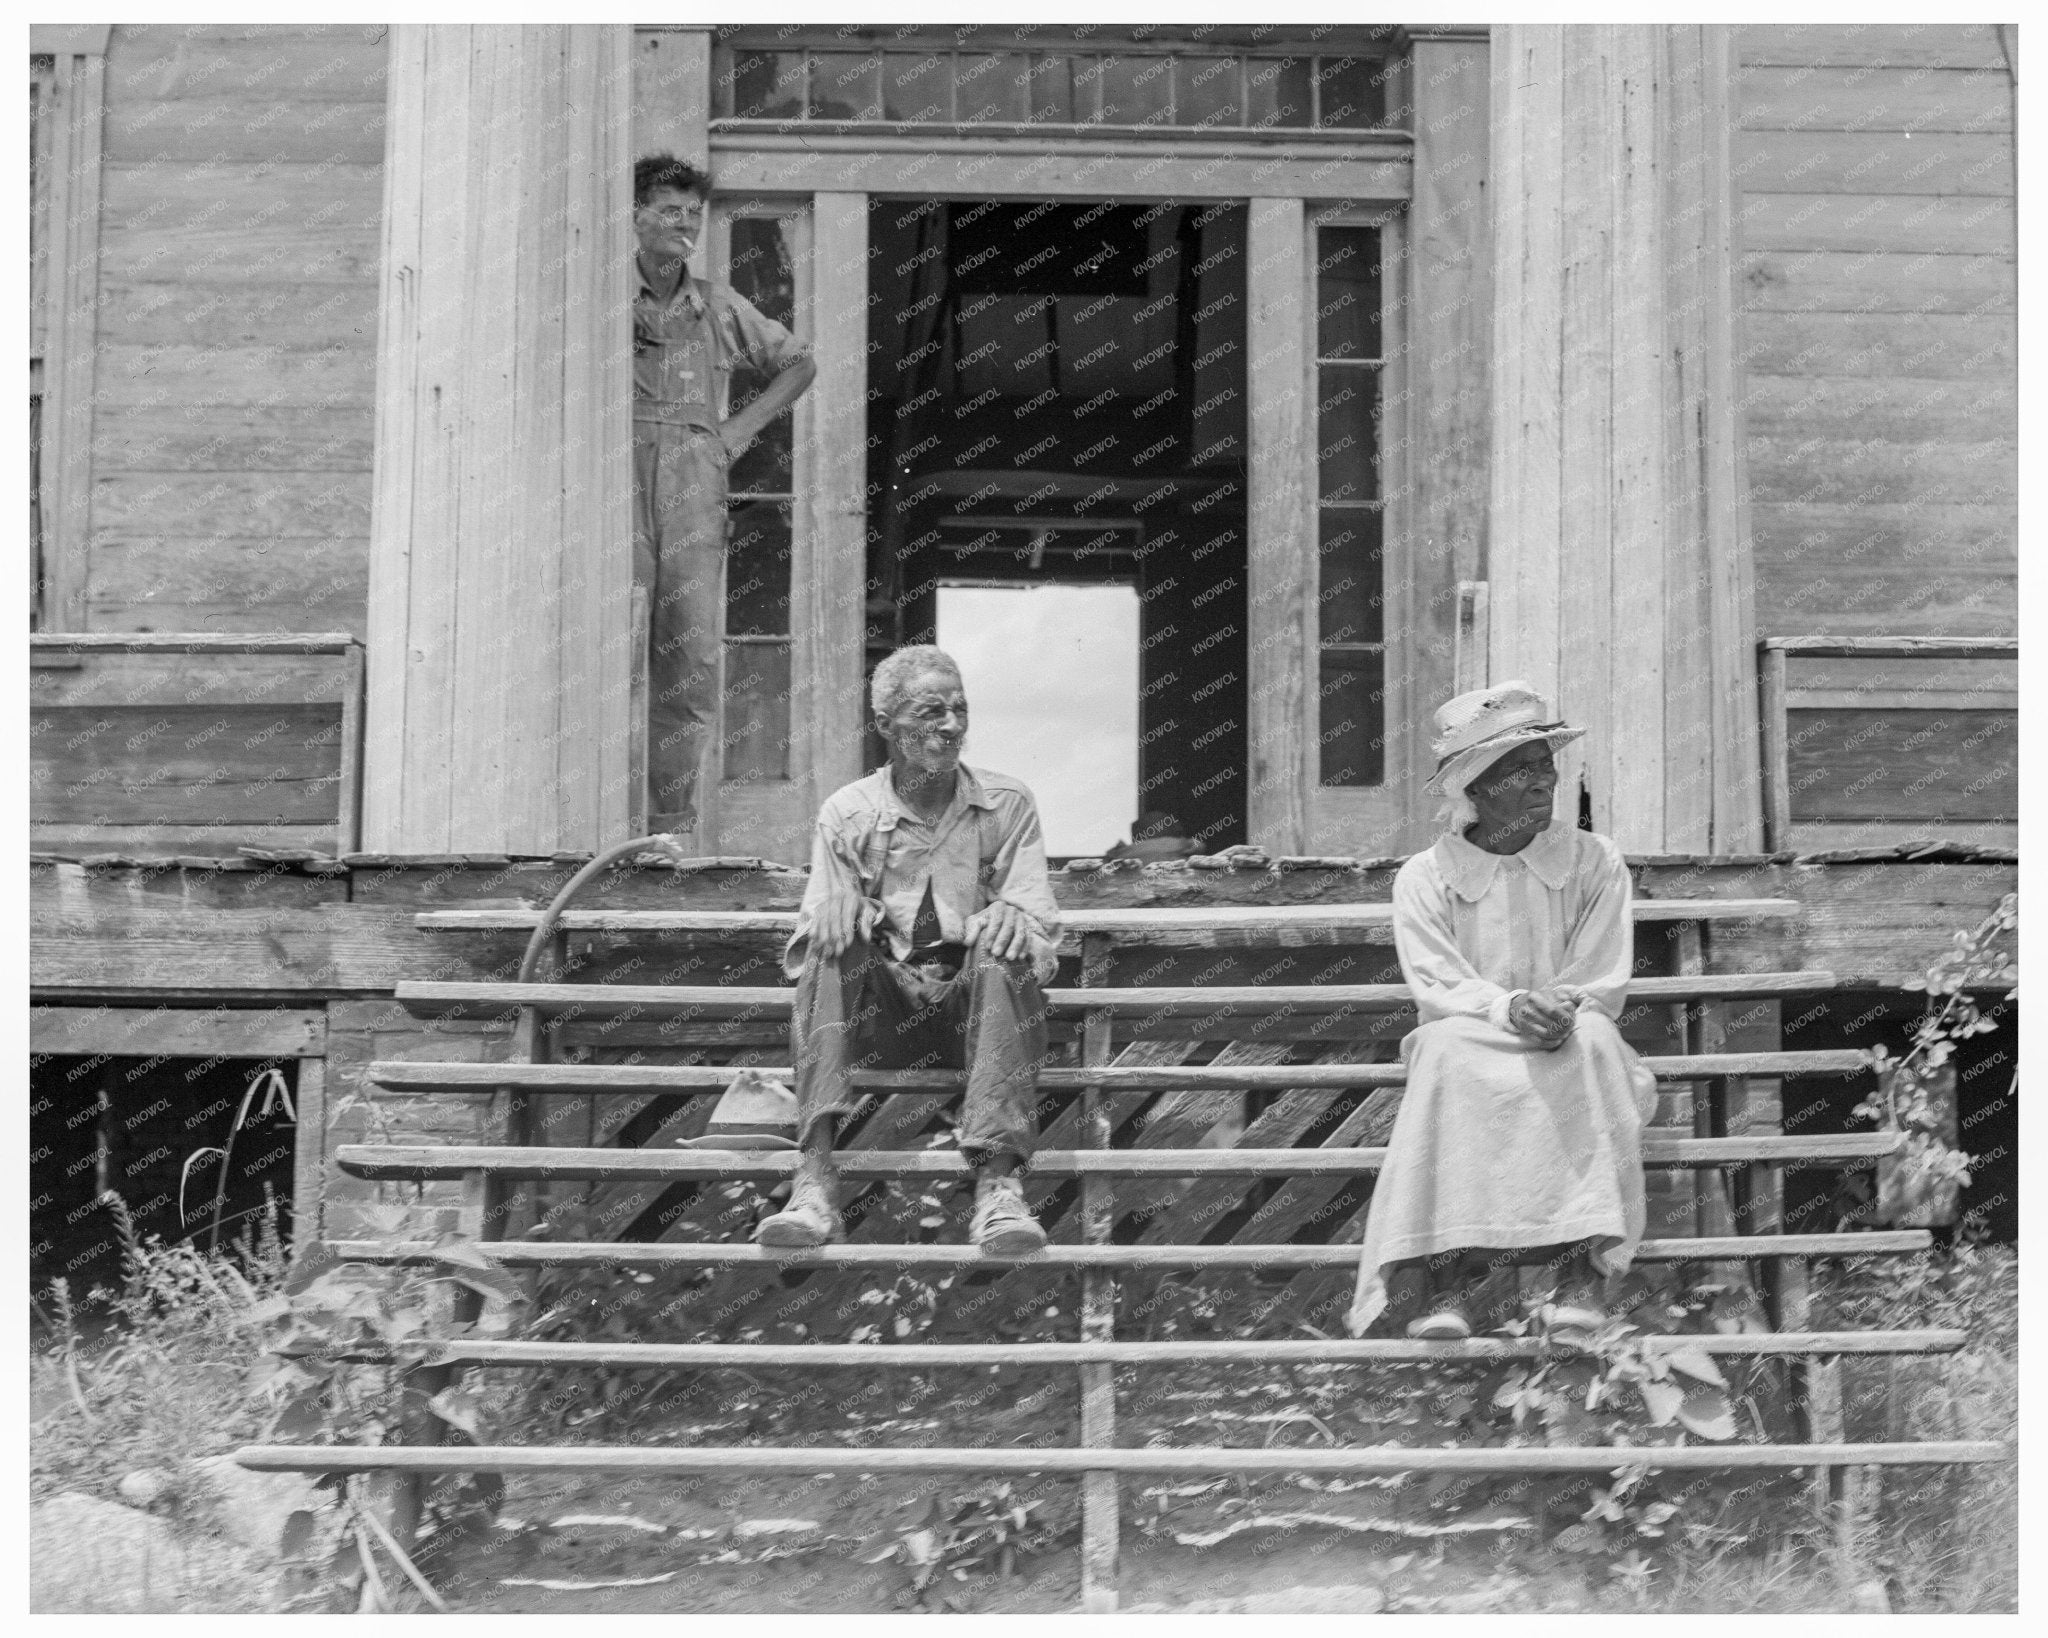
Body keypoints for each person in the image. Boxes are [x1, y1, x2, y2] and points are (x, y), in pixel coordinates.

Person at [1348, 683, 1656, 1341]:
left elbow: (1601, 973)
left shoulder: (1595, 861)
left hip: (1567, 1029)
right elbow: (1436, 983)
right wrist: (1506, 1006)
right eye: (1519, 769)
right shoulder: (1426, 877)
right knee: (1442, 1050)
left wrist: (1558, 1007)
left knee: (1594, 1040)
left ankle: (1581, 1274)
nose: (1543, 778)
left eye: (1545, 762)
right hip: (1475, 1036)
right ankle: (1445, 1285)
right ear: (1477, 787)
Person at [757, 645, 1060, 1255]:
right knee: (829, 945)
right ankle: (813, 1181)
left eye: (959, 710)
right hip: (884, 1017)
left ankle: (999, 1190)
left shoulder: (1008, 804)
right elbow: (809, 951)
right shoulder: (848, 813)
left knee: (1005, 946)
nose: (951, 726)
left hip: (978, 1019)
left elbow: (1041, 937)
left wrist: (1012, 917)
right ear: (886, 727)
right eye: (930, 712)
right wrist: (841, 913)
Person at [632, 154, 816, 837]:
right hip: (613, 471)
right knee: (612, 637)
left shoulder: (717, 304)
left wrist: (735, 430)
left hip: (691, 476)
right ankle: (592, 826)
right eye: (670, 210)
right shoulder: (604, 298)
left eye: (694, 213)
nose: (685, 224)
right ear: (635, 217)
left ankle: (667, 830)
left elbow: (798, 363)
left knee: (689, 654)